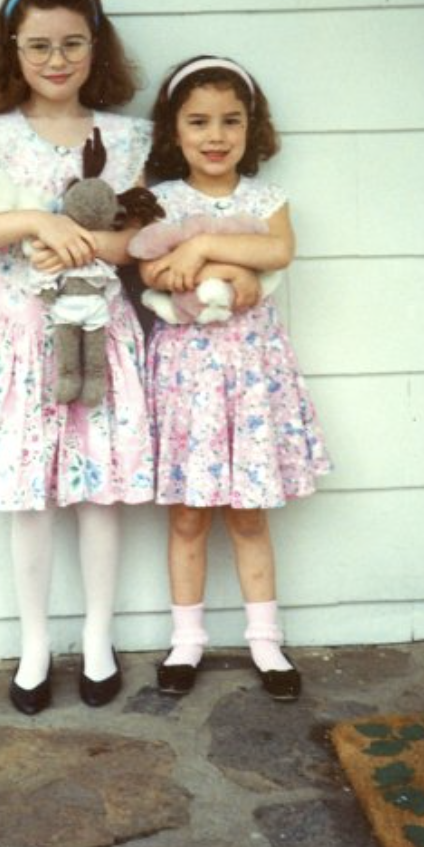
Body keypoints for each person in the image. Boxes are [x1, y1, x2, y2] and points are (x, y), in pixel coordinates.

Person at [0, 0, 156, 715]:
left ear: (97, 46)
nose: (56, 60)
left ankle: (98, 636)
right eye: (38, 47)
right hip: (24, 339)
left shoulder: (124, 138)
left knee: (97, 491)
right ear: (12, 51)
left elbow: (140, 242)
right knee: (30, 493)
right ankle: (34, 644)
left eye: (72, 44)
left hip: (98, 333)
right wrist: (37, 222)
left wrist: (89, 244)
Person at [140, 56, 332, 701]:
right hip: (190, 381)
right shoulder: (159, 200)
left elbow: (276, 250)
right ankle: (186, 640)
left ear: (253, 127)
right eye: (199, 122)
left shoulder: (265, 201)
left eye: (231, 121)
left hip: (251, 381)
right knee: (190, 516)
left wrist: (199, 249)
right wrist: (204, 257)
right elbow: (154, 273)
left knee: (248, 516)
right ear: (175, 130)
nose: (216, 135)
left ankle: (265, 640)